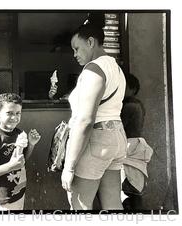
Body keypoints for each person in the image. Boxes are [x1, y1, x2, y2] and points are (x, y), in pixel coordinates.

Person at [60, 13, 127, 210]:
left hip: (96, 140)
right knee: (113, 205)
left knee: (79, 206)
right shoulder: (115, 67)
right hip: (116, 137)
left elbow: (85, 120)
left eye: (76, 48)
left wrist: (69, 167)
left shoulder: (93, 70)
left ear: (90, 42)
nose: (74, 54)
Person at [0, 93, 41, 210]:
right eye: (9, 113)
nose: (14, 117)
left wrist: (32, 144)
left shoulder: (19, 133)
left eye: (18, 113)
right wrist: (10, 166)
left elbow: (21, 161)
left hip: (19, 191)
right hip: (4, 200)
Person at [120, 73, 146, 210]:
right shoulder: (136, 104)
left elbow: (119, 127)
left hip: (128, 148)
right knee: (133, 186)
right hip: (134, 147)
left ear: (131, 88)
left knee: (128, 188)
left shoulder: (129, 105)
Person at [121, 73, 145, 138]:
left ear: (133, 90)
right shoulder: (138, 103)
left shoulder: (130, 106)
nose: (121, 90)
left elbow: (119, 127)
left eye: (125, 87)